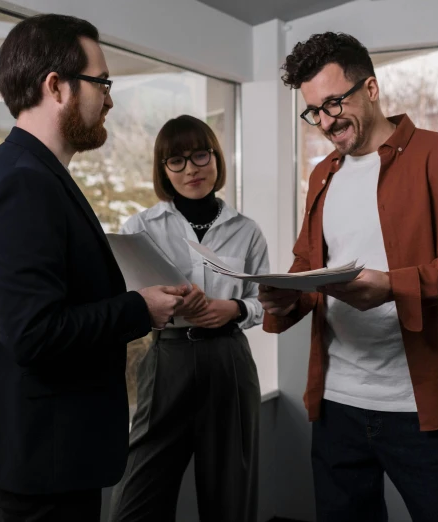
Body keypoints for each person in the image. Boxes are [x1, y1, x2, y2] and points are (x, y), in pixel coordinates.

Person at [259, 32, 438, 522]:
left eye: (334, 102)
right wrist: (286, 298)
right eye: (314, 111)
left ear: (370, 88)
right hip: (336, 404)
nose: (326, 122)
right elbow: (311, 268)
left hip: (420, 404)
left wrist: (393, 284)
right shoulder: (322, 174)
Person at [0, 14, 188, 522]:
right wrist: (140, 308)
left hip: (50, 453)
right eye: (102, 82)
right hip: (45, 459)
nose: (110, 98)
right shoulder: (25, 181)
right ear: (55, 86)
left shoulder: (30, 171)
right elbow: (35, 333)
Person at [108, 115, 269, 522]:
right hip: (167, 358)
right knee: (137, 498)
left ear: (216, 157)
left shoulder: (246, 230)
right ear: (163, 170)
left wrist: (233, 309)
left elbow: (265, 301)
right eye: (175, 161)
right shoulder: (140, 227)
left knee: (231, 496)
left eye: (200, 155)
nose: (191, 168)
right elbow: (124, 296)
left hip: (228, 359)